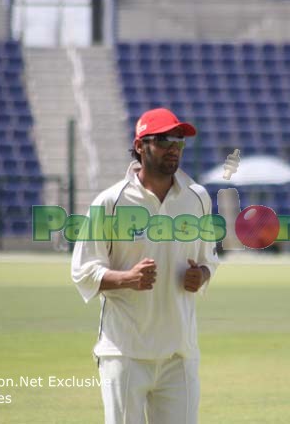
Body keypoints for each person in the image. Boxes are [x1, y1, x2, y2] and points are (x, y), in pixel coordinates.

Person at [71, 108, 220, 424]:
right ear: (140, 145)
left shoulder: (198, 199)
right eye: (164, 139)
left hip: (179, 353)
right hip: (125, 353)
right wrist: (127, 278)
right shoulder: (110, 202)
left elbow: (210, 259)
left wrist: (201, 275)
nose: (174, 148)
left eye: (179, 140)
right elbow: (83, 270)